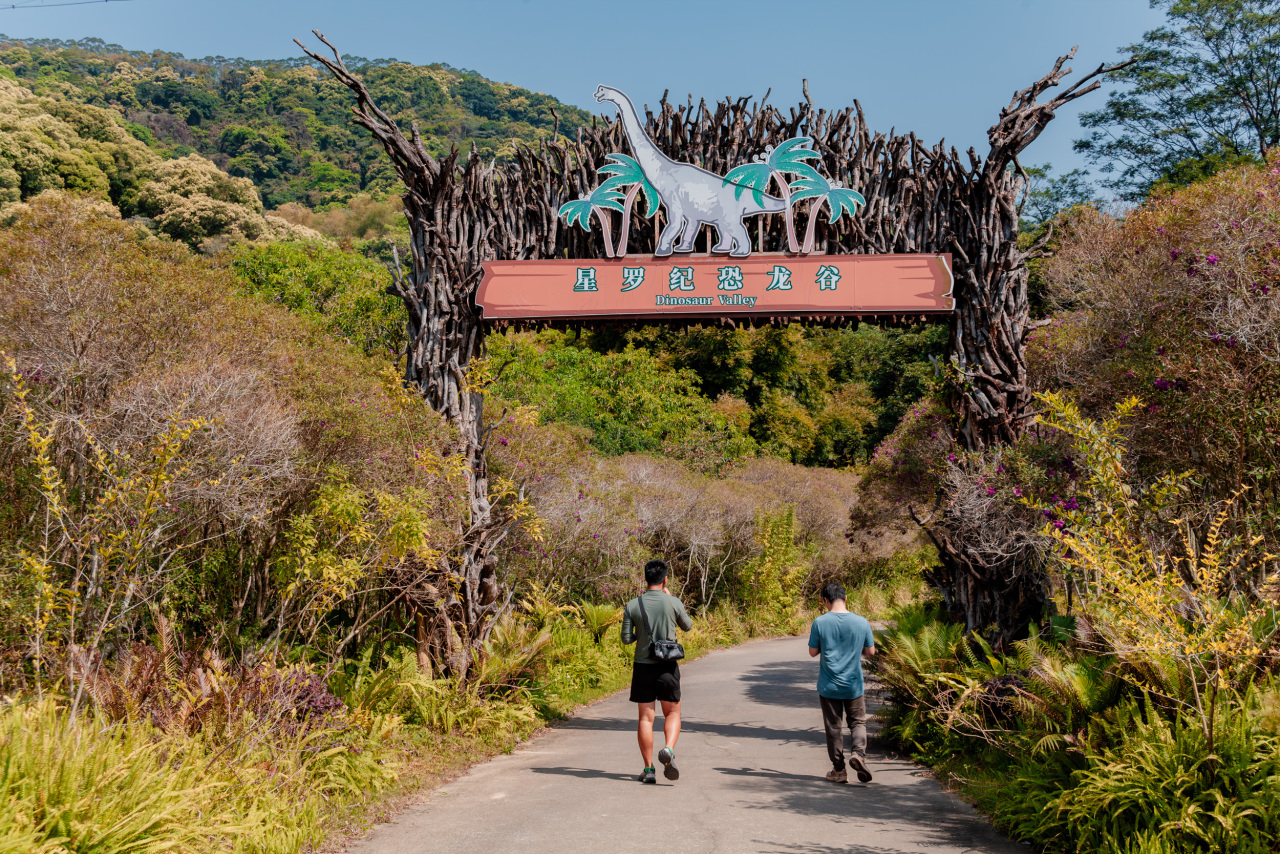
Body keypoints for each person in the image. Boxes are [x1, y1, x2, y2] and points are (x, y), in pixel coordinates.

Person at [621, 558, 693, 784]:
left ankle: (649, 769)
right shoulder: (673, 602)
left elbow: (626, 638)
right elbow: (687, 626)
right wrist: (671, 600)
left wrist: (641, 634)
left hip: (643, 667)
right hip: (667, 666)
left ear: (645, 578)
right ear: (665, 580)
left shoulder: (633, 605)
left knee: (645, 718)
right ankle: (668, 749)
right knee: (672, 713)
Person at [807, 581, 875, 784]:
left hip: (829, 686)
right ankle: (858, 754)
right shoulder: (861, 622)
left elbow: (812, 652)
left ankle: (839, 771)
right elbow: (870, 652)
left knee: (834, 728)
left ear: (825, 601)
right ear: (846, 599)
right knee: (858, 722)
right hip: (853, 685)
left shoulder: (820, 622)